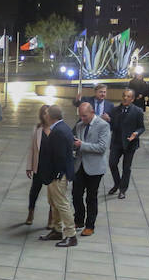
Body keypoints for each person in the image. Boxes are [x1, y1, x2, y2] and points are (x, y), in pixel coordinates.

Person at [37, 104, 77, 247]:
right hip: (56, 174)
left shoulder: (58, 131)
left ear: (50, 116)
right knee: (54, 203)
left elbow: (59, 157)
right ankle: (57, 229)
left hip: (57, 176)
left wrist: (55, 175)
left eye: (46, 114)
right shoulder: (63, 127)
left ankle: (71, 235)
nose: (45, 116)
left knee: (62, 204)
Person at [71, 103, 110, 236]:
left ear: (92, 112)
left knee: (91, 197)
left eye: (85, 116)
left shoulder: (103, 125)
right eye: (80, 116)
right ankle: (79, 220)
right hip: (80, 165)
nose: (82, 118)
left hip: (95, 168)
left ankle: (90, 225)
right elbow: (77, 144)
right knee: (76, 195)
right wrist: (74, 145)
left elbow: (102, 147)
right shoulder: (79, 125)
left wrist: (82, 145)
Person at [107, 88, 145, 198]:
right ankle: (117, 183)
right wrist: (109, 120)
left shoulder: (137, 111)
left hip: (130, 144)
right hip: (116, 142)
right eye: (124, 95)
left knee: (126, 167)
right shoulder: (115, 110)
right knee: (112, 163)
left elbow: (141, 127)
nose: (125, 98)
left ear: (132, 99)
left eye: (128, 96)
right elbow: (112, 126)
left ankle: (123, 189)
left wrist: (136, 134)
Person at [24, 103, 52, 226]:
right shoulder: (37, 128)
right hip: (39, 165)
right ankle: (31, 212)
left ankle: (52, 218)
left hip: (52, 167)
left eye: (48, 112)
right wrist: (29, 166)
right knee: (34, 191)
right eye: (44, 113)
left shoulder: (56, 128)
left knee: (53, 194)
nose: (46, 115)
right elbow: (32, 148)